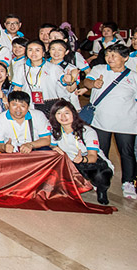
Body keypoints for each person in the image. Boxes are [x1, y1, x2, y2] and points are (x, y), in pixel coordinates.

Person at [82, 43, 136, 199]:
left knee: (126, 153)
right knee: (100, 151)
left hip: (126, 122)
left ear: (125, 58)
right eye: (107, 55)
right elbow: (87, 82)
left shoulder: (133, 76)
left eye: (114, 55)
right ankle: (99, 178)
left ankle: (128, 182)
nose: (109, 58)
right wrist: (93, 84)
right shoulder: (99, 69)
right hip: (101, 120)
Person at [48, 100, 112, 205]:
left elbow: (93, 156)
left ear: (73, 113)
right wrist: (54, 148)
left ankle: (102, 190)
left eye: (66, 113)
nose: (63, 117)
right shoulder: (55, 131)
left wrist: (82, 159)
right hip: (71, 163)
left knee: (100, 175)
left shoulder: (86, 131)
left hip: (90, 162)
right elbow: (51, 144)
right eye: (59, 113)